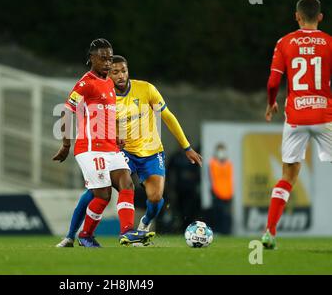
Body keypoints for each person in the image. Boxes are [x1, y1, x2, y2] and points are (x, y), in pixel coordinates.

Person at [56, 54, 202, 247]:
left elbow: (167, 116)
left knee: (156, 197)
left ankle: (143, 225)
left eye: (123, 71)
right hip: (122, 152)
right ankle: (73, 234)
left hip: (151, 151)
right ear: (108, 74)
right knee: (97, 191)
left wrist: (187, 147)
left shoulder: (146, 89)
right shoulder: (104, 96)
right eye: (115, 72)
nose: (120, 75)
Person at [52, 39, 154, 247]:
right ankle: (85, 235)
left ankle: (127, 232)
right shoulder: (85, 84)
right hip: (90, 149)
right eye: (103, 58)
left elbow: (103, 116)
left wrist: (114, 137)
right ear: (92, 58)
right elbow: (66, 111)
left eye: (110, 58)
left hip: (110, 147)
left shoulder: (108, 82)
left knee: (127, 183)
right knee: (103, 194)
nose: (108, 63)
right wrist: (65, 144)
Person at [262, 0, 332, 249]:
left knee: (288, 176)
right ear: (320, 17)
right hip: (325, 116)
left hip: (296, 116)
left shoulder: (285, 42)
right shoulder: (329, 43)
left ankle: (269, 232)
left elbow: (272, 83)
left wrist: (271, 104)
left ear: (297, 17)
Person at [208, 143, 233, 235]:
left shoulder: (228, 164)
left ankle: (227, 232)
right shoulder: (213, 163)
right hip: (217, 193)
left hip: (228, 193)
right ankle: (218, 231)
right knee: (217, 214)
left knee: (227, 215)